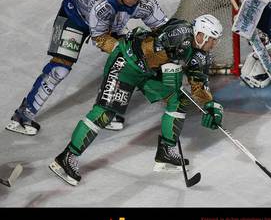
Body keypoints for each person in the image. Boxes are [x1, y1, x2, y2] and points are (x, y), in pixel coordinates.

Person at [49, 15, 224, 186]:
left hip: (147, 73)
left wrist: (209, 105)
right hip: (126, 63)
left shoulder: (201, 54)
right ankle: (67, 157)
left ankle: (166, 153)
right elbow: (148, 51)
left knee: (179, 100)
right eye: (213, 39)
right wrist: (170, 69)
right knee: (105, 113)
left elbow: (199, 83)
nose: (214, 44)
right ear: (201, 34)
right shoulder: (179, 32)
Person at [6, 0, 168, 135]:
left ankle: (106, 112)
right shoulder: (102, 4)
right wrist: (130, 50)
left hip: (106, 21)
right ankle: (22, 116)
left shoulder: (140, 0)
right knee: (60, 69)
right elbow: (100, 39)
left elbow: (163, 27)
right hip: (74, 15)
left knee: (124, 60)